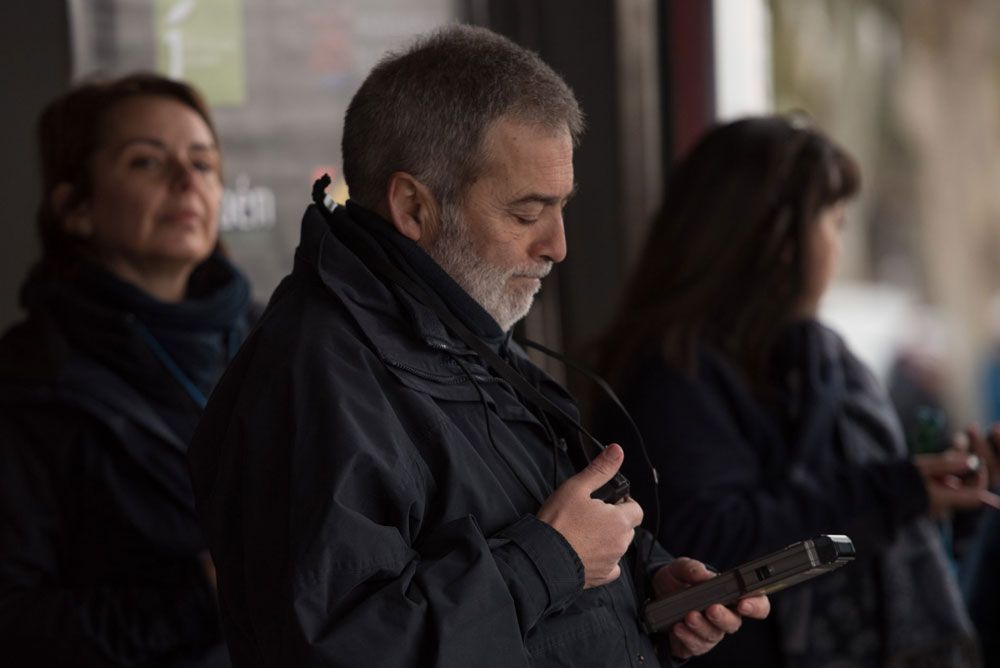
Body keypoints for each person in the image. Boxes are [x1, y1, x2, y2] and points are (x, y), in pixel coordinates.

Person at [187, 25, 769, 668]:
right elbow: (345, 650)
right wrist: (550, 560)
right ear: (413, 207)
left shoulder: (456, 327)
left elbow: (535, 549)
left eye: (562, 208)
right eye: (526, 213)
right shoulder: (314, 379)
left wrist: (646, 589)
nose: (557, 246)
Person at [592, 116, 996, 668]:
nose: (838, 245)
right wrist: (895, 492)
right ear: (781, 240)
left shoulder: (824, 363)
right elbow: (706, 549)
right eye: (835, 222)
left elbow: (881, 526)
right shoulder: (669, 376)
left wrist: (946, 488)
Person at [0, 73, 254, 666]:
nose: (187, 180)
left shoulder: (276, 338)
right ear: (75, 208)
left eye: (203, 162)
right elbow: (14, 621)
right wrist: (199, 595)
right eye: (147, 161)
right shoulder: (28, 383)